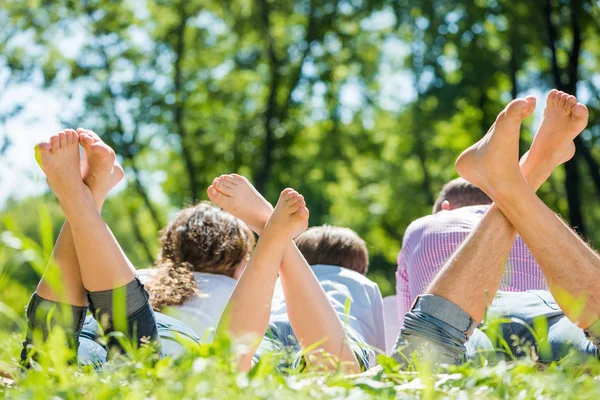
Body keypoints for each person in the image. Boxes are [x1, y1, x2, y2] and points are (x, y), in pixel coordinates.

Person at [22, 129, 362, 374]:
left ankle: (84, 200)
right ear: (243, 265)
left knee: (52, 364)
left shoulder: (148, 278)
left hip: (101, 336)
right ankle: (79, 200)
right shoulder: (261, 296)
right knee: (53, 362)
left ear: (165, 258)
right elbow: (336, 362)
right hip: (175, 348)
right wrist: (274, 243)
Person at [392, 90, 600, 366]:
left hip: (463, 322)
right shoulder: (538, 223)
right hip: (554, 311)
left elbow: (406, 318)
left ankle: (531, 169)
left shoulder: (423, 227)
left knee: (419, 359)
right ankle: (534, 167)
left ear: (445, 209)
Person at [208, 177, 376, 373]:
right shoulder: (363, 284)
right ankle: (273, 233)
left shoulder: (280, 282)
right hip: (334, 329)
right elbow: (379, 354)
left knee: (228, 367)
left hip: (272, 330)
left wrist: (276, 234)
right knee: (339, 371)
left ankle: (273, 233)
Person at [396, 178, 548, 324]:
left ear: (445, 208)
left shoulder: (420, 228)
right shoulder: (540, 229)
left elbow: (408, 323)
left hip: (449, 345)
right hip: (537, 342)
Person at [141, 202, 255, 341]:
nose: (248, 261)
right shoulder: (238, 296)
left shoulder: (140, 282)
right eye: (247, 253)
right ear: (233, 256)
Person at [292, 225, 386, 352]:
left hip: (279, 330)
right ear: (361, 271)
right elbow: (378, 348)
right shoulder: (364, 284)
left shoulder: (283, 282)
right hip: (341, 334)